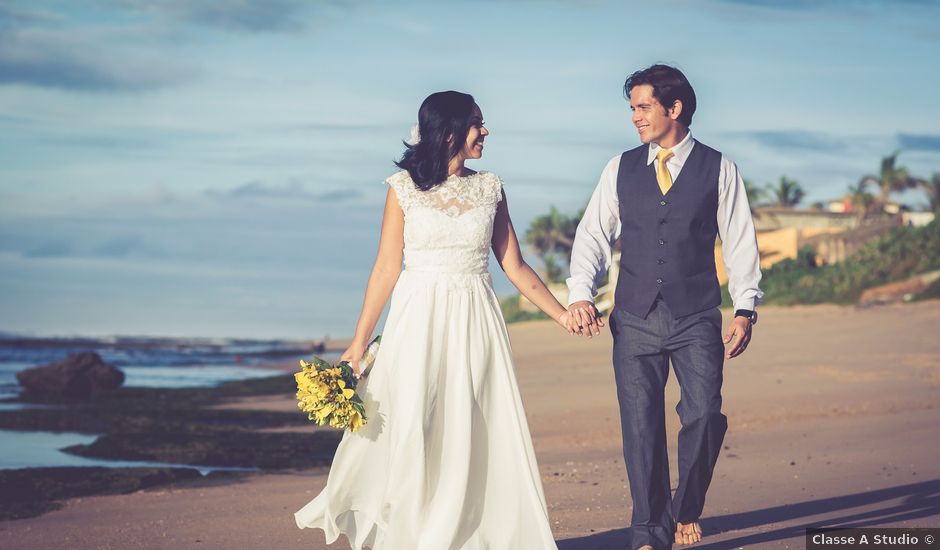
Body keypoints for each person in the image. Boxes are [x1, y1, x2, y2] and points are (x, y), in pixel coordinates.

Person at [295, 91, 571, 549]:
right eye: (477, 123)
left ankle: (466, 535)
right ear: (449, 132)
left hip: (475, 316)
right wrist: (359, 342)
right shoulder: (401, 188)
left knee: (473, 425)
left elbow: (515, 266)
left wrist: (561, 315)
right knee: (413, 424)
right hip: (417, 317)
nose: (485, 131)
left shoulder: (491, 188)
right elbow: (386, 268)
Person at [565, 65, 763, 550]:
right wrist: (580, 293)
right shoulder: (620, 167)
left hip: (695, 315)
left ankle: (686, 507)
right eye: (632, 107)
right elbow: (593, 233)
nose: (635, 117)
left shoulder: (720, 168)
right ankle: (648, 532)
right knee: (641, 429)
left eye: (643, 106)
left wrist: (745, 308)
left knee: (703, 415)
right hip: (633, 315)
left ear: (674, 108)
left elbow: (739, 242)